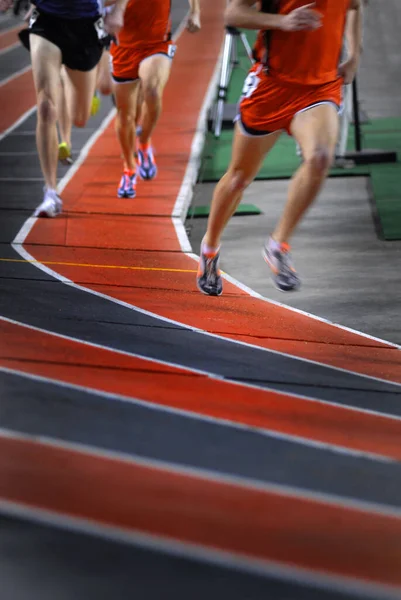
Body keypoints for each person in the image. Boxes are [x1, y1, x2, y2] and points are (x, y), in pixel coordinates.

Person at [197, 0, 362, 296]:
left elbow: (355, 6)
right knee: (239, 178)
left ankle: (278, 245)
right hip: (271, 86)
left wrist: (354, 55)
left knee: (321, 158)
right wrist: (282, 22)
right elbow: (234, 13)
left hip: (320, 87)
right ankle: (209, 247)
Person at [0, 0, 128, 217]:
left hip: (85, 25)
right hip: (46, 19)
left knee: (80, 117)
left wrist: (118, 10)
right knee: (46, 107)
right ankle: (50, 191)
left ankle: (75, 76)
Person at [110, 0, 201, 199]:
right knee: (125, 114)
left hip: (157, 43)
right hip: (123, 46)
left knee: (151, 91)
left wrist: (195, 11)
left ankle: (143, 142)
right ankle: (129, 167)